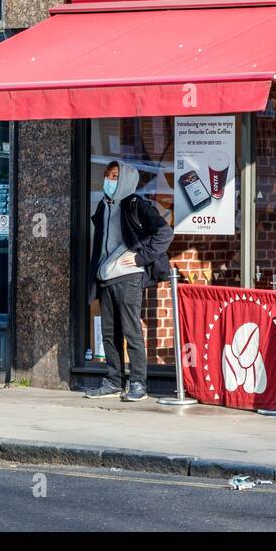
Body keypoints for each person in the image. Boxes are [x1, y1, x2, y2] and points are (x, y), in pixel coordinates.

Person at [85, 161, 173, 401]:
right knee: (109, 334)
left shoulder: (136, 204)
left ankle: (138, 384)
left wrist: (141, 258)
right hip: (106, 278)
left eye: (115, 176)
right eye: (107, 175)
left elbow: (165, 233)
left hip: (128, 278)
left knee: (131, 331)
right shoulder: (104, 207)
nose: (109, 180)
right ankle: (113, 381)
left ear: (125, 179)